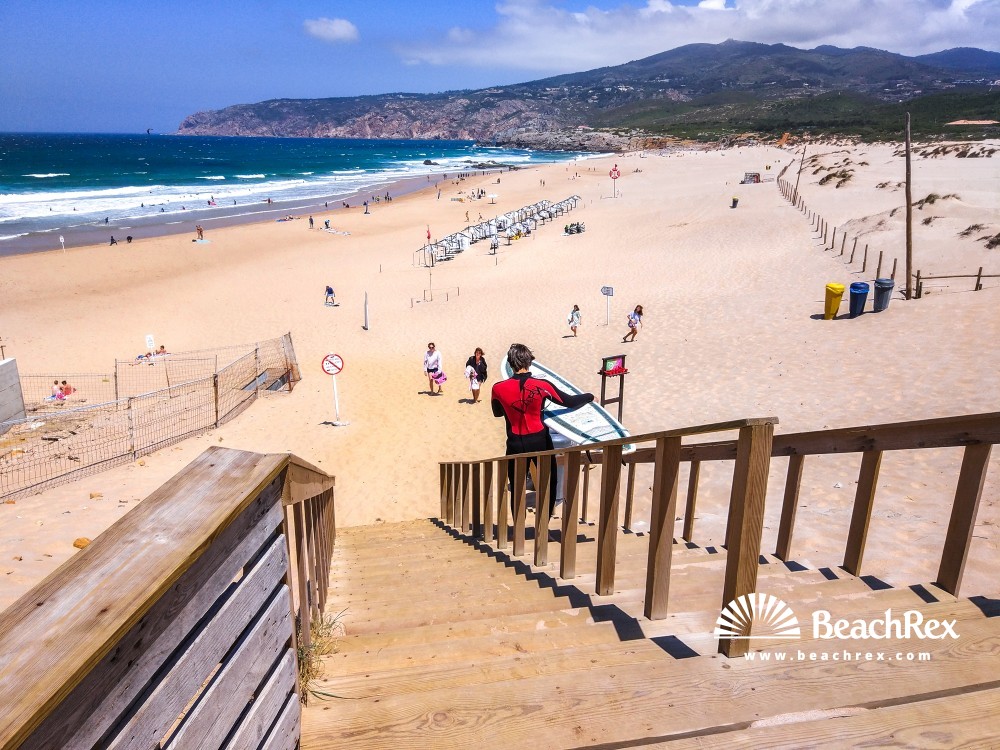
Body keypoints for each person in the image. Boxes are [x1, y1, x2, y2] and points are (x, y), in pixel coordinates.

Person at [491, 344, 593, 517]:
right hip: (540, 441)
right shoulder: (542, 385)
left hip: (515, 443)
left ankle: (518, 527)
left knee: (516, 486)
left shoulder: (497, 388)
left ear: (510, 363)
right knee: (549, 482)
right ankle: (544, 521)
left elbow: (497, 413)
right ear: (529, 362)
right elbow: (568, 401)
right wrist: (590, 396)